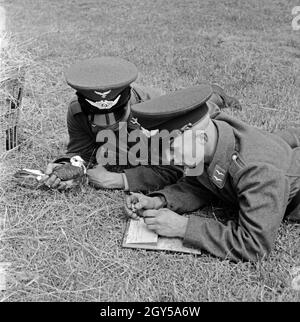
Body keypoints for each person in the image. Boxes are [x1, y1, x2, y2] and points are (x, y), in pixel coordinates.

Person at [125, 85, 300, 262]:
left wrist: (183, 227)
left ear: (201, 138)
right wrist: (159, 200)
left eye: (171, 148)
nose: (167, 158)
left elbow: (253, 246)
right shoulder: (211, 137)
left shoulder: (258, 171)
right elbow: (201, 184)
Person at [42, 56, 241, 192]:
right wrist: (68, 168)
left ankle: (216, 93)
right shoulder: (77, 111)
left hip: (168, 112)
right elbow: (82, 151)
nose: (108, 125)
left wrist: (120, 180)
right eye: (98, 119)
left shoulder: (155, 114)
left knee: (205, 108)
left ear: (128, 103)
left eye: (116, 115)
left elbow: (177, 167)